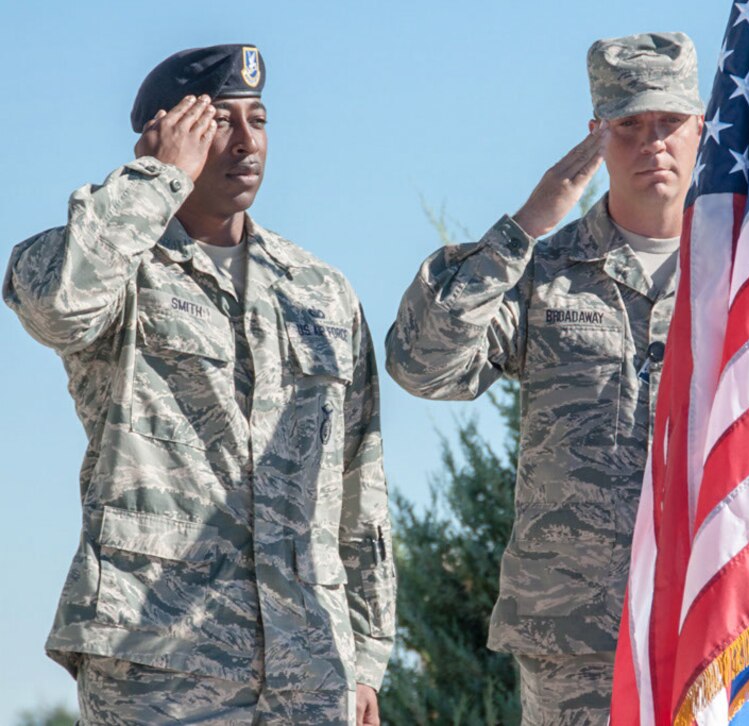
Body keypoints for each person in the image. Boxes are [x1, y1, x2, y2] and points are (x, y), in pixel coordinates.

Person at [4, 44, 394, 725]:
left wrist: (365, 656)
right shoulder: (110, 263)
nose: (247, 142)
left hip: (310, 665)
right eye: (219, 121)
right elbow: (61, 307)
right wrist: (154, 178)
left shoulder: (321, 292)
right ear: (168, 134)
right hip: (157, 658)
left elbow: (361, 486)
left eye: (259, 120)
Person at [385, 32, 703, 724]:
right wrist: (526, 224)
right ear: (597, 137)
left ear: (701, 127)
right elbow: (421, 365)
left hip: (713, 622)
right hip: (576, 638)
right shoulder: (542, 275)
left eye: (669, 122)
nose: (653, 142)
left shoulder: (745, 277)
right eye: (630, 124)